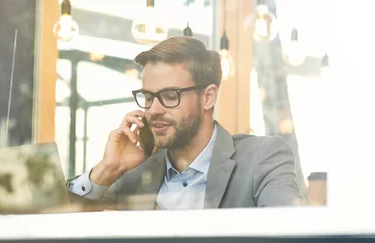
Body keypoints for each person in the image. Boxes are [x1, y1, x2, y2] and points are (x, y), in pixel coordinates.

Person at [67, 36, 306, 210]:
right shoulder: (132, 174)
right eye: (148, 97)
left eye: (170, 96)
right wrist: (108, 169)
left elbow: (293, 232)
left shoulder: (262, 159)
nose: (154, 110)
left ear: (208, 97)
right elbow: (58, 224)